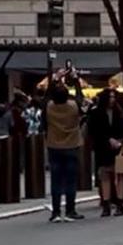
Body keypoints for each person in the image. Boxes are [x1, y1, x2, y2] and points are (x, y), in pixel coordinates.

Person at [44, 71, 85, 223]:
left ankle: (55, 212)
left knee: (56, 180)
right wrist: (76, 82)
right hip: (72, 144)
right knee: (70, 180)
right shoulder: (73, 107)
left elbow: (46, 98)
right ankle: (70, 209)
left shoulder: (50, 107)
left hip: (54, 145)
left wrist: (54, 80)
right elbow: (81, 99)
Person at [87, 89, 123, 217]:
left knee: (119, 175)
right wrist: (107, 139)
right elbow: (93, 131)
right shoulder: (96, 113)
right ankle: (106, 204)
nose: (112, 100)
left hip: (118, 147)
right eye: (110, 97)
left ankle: (120, 203)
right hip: (103, 147)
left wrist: (120, 140)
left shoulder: (119, 112)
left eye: (114, 97)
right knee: (105, 175)